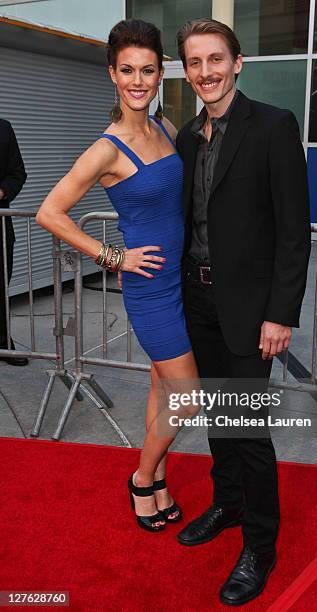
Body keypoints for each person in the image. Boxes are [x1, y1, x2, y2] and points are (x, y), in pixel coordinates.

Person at [36, 19, 200, 533]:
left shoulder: (166, 128)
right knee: (190, 397)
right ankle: (141, 476)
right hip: (150, 288)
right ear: (112, 73)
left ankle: (159, 482)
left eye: (147, 70)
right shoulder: (106, 148)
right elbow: (50, 212)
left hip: (183, 281)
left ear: (160, 73)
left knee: (162, 390)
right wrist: (113, 256)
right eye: (127, 70)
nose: (138, 80)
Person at [174, 18, 311, 606]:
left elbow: (293, 230)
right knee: (216, 418)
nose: (205, 72)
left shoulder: (274, 127)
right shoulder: (185, 136)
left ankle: (261, 544)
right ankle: (227, 505)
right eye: (194, 63)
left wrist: (280, 314)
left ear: (237, 63)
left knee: (248, 430)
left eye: (215, 60)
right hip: (196, 303)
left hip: (251, 312)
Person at [0, 118, 28, 366]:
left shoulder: (3, 128)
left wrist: (1, 191)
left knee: (0, 283)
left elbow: (17, 173)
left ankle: (2, 341)